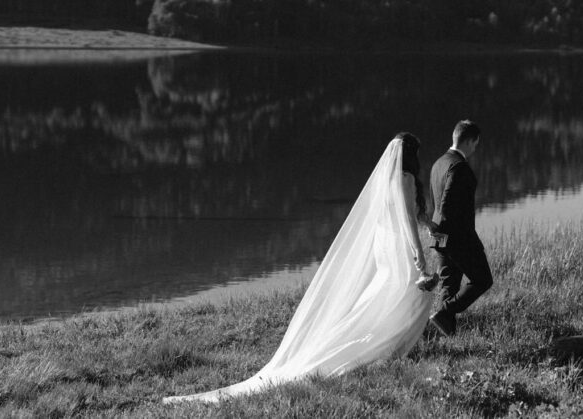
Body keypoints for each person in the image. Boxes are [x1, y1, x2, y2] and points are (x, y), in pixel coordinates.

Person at [163, 132, 436, 404]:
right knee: (413, 295)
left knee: (385, 293)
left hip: (383, 244)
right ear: (412, 156)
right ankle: (389, 346)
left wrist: (430, 226)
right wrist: (419, 259)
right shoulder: (406, 178)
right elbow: (408, 220)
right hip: (399, 245)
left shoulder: (384, 181)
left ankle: (379, 339)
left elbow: (392, 214)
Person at [428, 119, 493, 336]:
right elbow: (446, 203)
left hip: (441, 238)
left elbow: (436, 202)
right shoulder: (459, 167)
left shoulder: (439, 163)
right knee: (482, 280)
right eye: (476, 144)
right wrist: (440, 227)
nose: (475, 148)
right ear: (470, 141)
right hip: (457, 238)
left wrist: (436, 230)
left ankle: (450, 337)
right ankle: (444, 312)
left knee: (450, 287)